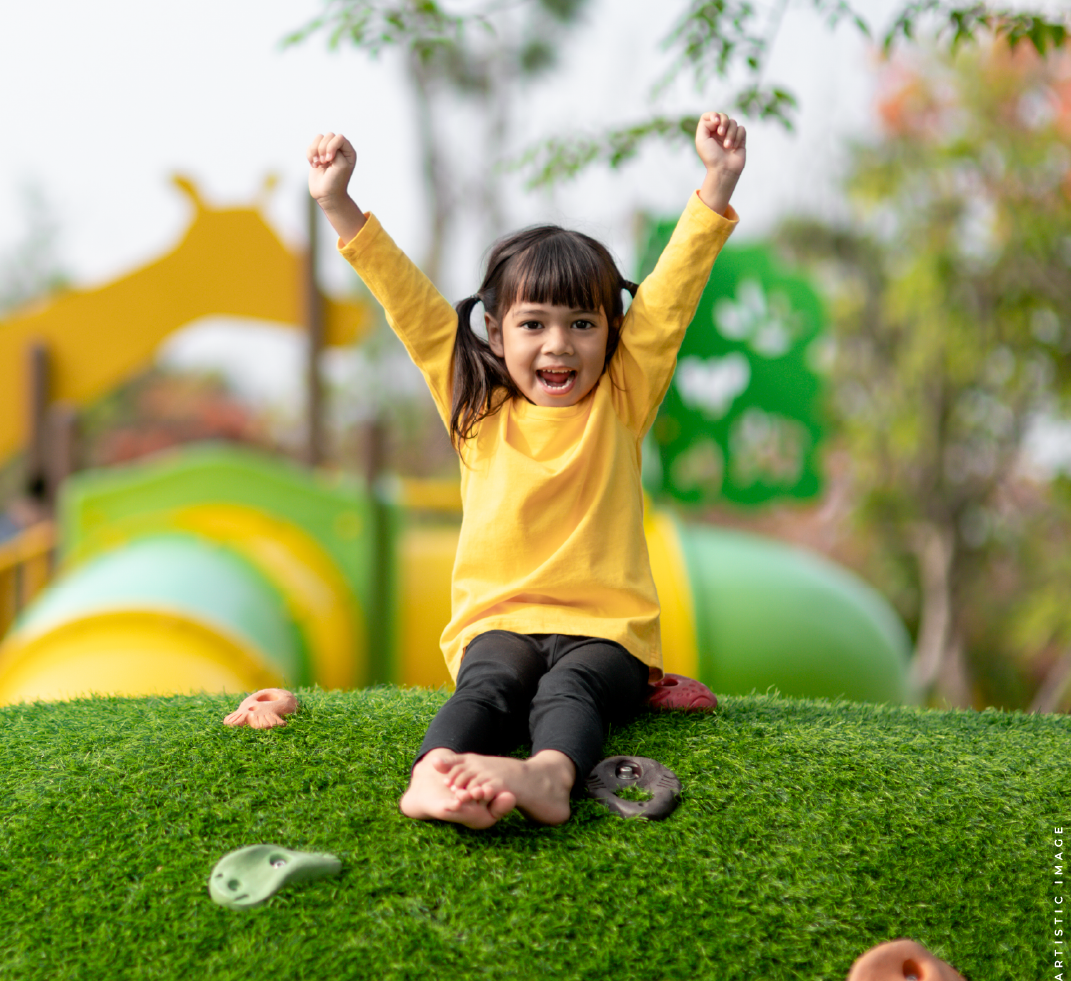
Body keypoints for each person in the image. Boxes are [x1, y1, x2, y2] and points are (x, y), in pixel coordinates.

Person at [306, 112, 745, 829]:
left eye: (582, 324)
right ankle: (431, 779)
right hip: (500, 621)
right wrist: (337, 202)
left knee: (570, 690)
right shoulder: (476, 408)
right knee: (487, 687)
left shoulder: (622, 398)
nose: (559, 345)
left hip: (606, 632)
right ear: (494, 331)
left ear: (611, 331)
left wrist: (718, 180)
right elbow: (408, 302)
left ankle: (547, 776)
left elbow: (671, 298)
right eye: (534, 323)